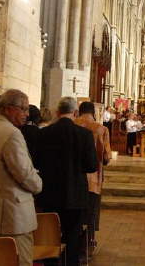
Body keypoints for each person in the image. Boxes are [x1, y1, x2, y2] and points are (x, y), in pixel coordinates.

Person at [0, 89, 42, 266]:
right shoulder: (11, 134)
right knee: (19, 261)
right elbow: (25, 174)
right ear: (7, 108)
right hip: (13, 216)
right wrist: (38, 184)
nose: (27, 114)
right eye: (23, 109)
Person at [36, 97, 97, 266]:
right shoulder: (84, 135)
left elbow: (36, 162)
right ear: (75, 113)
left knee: (50, 236)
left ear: (57, 112)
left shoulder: (44, 133)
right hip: (75, 194)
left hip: (49, 192)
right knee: (72, 237)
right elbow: (92, 166)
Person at [74, 101, 111, 255]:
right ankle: (88, 245)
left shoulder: (71, 126)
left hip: (73, 177)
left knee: (74, 213)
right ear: (93, 112)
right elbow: (106, 157)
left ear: (79, 111)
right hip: (93, 179)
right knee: (90, 212)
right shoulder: (101, 129)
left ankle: (72, 245)